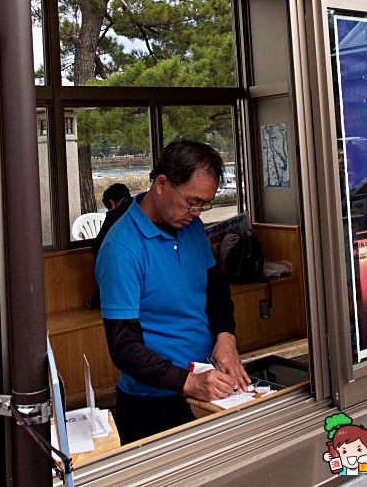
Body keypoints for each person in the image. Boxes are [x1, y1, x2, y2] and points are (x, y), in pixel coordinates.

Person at [95, 140, 251, 444]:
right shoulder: (122, 248)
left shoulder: (190, 225)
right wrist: (189, 382)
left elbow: (215, 291)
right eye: (192, 202)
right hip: (152, 405)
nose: (197, 212)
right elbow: (124, 347)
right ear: (162, 184)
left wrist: (226, 337)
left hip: (210, 389)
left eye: (204, 204)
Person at [86, 183, 133, 309]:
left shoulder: (116, 213)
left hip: (124, 277)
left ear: (112, 203)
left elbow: (98, 246)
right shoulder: (141, 207)